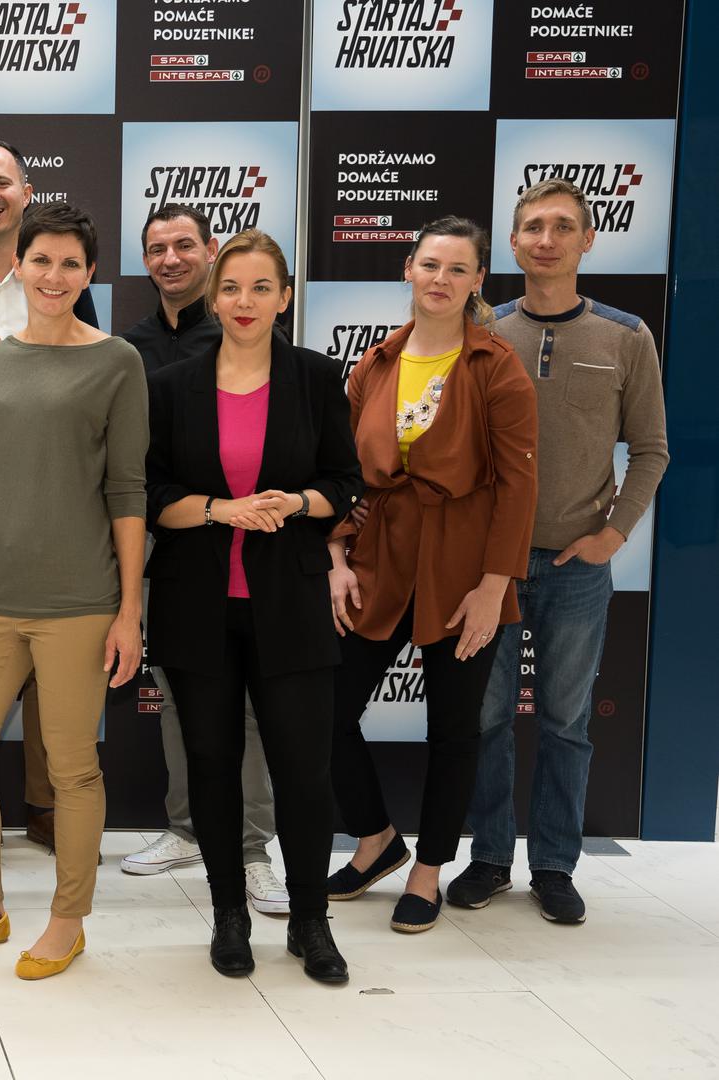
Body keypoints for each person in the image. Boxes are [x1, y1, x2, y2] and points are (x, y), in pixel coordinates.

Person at [0, 203, 147, 981]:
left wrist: (128, 611)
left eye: (70, 263)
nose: (53, 275)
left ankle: (67, 920)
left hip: (78, 603)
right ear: (18, 265)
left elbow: (127, 492)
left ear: (89, 274)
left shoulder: (115, 361)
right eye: (40, 260)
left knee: (72, 771)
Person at [145, 229, 363, 983]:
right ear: (214, 295)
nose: (244, 301)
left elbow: (344, 482)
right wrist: (219, 510)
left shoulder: (316, 376)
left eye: (261, 287)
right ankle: (229, 915)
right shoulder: (171, 385)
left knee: (303, 771)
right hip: (195, 606)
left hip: (290, 603)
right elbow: (153, 495)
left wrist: (296, 502)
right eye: (231, 287)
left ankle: (310, 921)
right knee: (210, 767)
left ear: (284, 297)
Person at [449, 180, 669, 924]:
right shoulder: (482, 332)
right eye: (533, 227)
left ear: (587, 240)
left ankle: (553, 865)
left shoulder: (624, 336)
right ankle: (487, 858)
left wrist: (614, 533)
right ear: (512, 243)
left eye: (563, 227)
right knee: (485, 719)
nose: (546, 240)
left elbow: (651, 449)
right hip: (490, 567)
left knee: (565, 723)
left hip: (577, 568)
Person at [325, 217, 539, 934]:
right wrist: (335, 554)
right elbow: (344, 471)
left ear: (478, 280)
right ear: (408, 271)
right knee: (325, 711)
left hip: (464, 569)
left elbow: (518, 486)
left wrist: (493, 587)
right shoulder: (375, 363)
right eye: (429, 265)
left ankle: (428, 870)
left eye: (457, 268)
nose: (440, 279)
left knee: (453, 730)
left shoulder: (495, 366)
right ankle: (376, 840)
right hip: (379, 559)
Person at [118, 203, 290, 917]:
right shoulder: (128, 345)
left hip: (251, 547)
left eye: (185, 245)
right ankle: (187, 827)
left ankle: (251, 849)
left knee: (244, 709)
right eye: (157, 248)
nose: (171, 259)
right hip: (166, 542)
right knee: (178, 697)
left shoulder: (249, 333)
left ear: (211, 253)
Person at [0, 136, 99, 855]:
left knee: (52, 674)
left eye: (2, 182)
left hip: (45, 505)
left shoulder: (61, 279)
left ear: (26, 193)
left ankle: (45, 802)